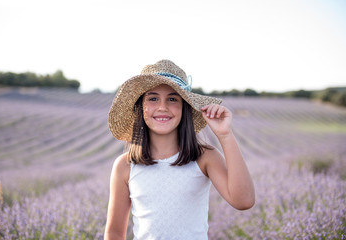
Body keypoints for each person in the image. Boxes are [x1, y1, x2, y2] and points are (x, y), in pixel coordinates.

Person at [104, 60, 255, 240]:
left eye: (173, 99)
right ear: (140, 107)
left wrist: (226, 136)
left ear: (185, 107)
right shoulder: (126, 165)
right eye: (153, 98)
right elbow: (114, 233)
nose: (162, 107)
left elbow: (244, 201)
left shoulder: (204, 157)